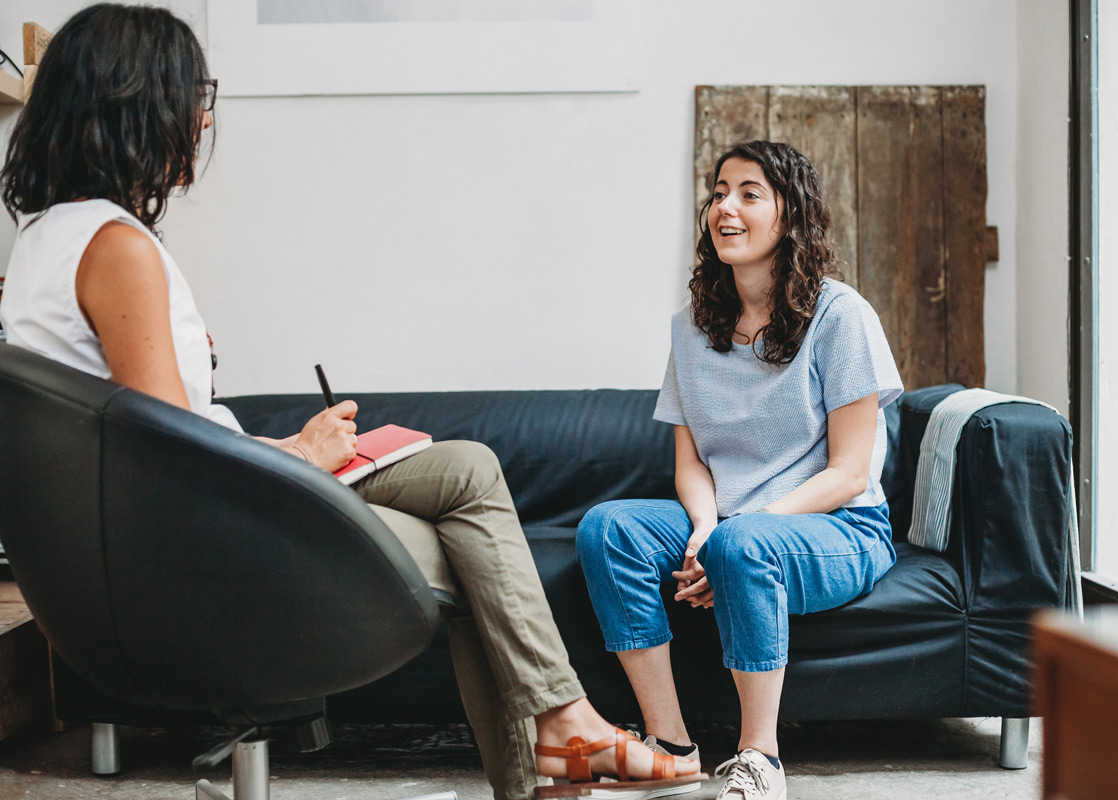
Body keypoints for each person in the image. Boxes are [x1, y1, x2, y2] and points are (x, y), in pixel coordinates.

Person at [0, 5, 700, 800]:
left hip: (157, 542)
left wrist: (295, 448)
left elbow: (150, 435)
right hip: (189, 550)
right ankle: (561, 742)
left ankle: (556, 755)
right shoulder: (116, 247)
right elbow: (162, 453)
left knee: (468, 469)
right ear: (137, 103)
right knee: (478, 551)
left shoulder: (47, 239)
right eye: (193, 97)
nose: (200, 119)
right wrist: (299, 456)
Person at [576, 140, 904, 800]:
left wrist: (733, 537)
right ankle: (668, 746)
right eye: (719, 192)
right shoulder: (692, 328)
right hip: (731, 523)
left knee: (742, 542)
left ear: (792, 215)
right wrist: (704, 533)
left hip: (841, 528)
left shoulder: (842, 318)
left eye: (749, 193)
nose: (726, 207)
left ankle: (761, 758)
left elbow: (847, 472)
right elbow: (690, 462)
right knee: (608, 528)